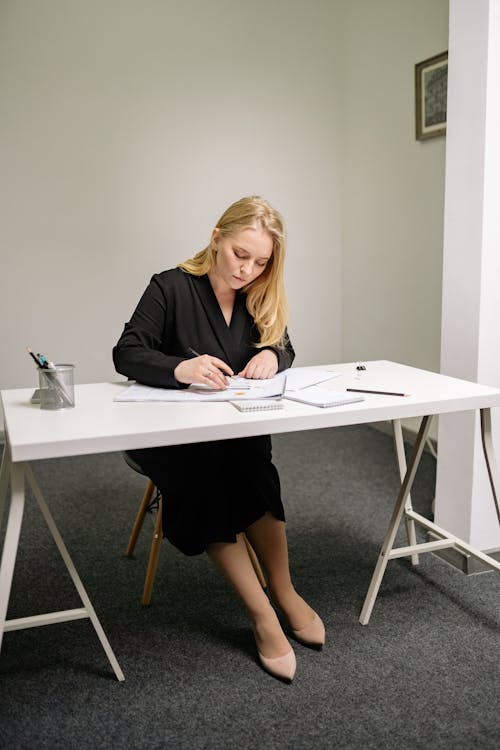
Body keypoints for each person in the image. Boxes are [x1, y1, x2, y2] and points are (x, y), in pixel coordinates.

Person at [113, 195, 324, 682]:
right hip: (171, 438)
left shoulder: (258, 292)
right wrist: (179, 367)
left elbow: (284, 343)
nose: (248, 269)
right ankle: (261, 614)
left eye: (261, 261)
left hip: (234, 430)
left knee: (253, 463)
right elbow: (126, 352)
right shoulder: (169, 287)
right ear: (216, 239)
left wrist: (273, 353)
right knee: (207, 478)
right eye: (239, 255)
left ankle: (285, 590)